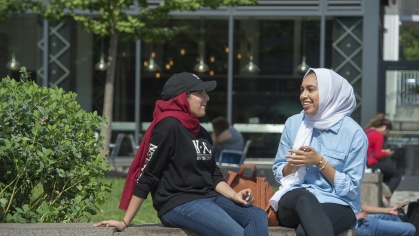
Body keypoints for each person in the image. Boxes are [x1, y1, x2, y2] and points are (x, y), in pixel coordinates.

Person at [94, 72, 269, 236]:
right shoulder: (168, 127)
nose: (207, 98)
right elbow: (148, 175)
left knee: (258, 216)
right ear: (182, 97)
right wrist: (125, 222)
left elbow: (213, 174)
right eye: (201, 93)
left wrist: (234, 195)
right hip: (178, 203)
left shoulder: (201, 131)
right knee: (236, 233)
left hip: (210, 197)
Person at [270, 68, 368, 236]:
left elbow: (351, 189)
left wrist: (319, 162)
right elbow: (278, 172)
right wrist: (293, 165)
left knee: (304, 232)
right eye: (302, 90)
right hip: (294, 198)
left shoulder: (354, 134)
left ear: (330, 93)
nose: (303, 96)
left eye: (311, 89)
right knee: (305, 197)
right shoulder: (293, 124)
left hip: (337, 202)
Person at [364, 113, 402, 205]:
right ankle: (386, 199)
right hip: (372, 162)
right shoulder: (378, 135)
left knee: (387, 176)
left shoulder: (367, 131)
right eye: (387, 131)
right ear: (384, 127)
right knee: (396, 175)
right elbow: (377, 154)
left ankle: (383, 194)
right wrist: (387, 152)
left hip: (365, 162)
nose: (386, 134)